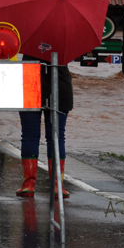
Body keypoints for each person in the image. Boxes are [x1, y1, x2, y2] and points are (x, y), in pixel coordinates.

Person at [17, 56, 73, 198]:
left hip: (31, 81)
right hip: (59, 85)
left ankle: (28, 185)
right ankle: (57, 186)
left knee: (29, 135)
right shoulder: (65, 38)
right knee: (57, 137)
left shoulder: (29, 37)